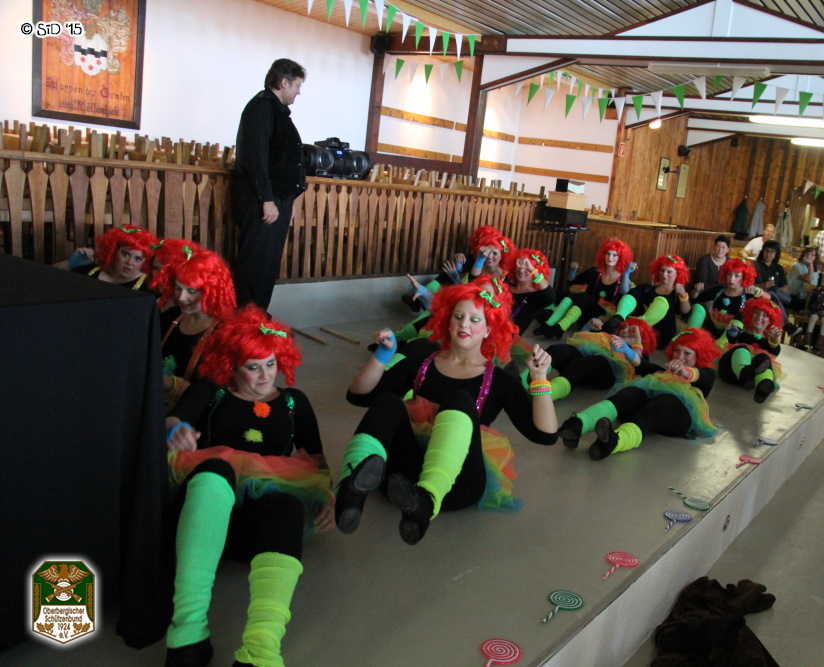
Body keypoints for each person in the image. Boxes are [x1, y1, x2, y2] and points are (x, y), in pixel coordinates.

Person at [163, 306, 332, 667]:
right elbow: (174, 418)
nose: (265, 375)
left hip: (254, 531)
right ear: (232, 365)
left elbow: (317, 459)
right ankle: (187, 635)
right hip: (200, 512)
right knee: (216, 469)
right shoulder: (211, 391)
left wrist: (328, 495)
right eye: (253, 367)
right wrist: (176, 430)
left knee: (287, 505)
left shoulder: (294, 402)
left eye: (270, 364)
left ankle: (260, 651)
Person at [336, 283, 558, 545]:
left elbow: (545, 435)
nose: (464, 324)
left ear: (488, 329)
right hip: (403, 477)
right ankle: (348, 490)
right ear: (448, 321)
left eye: (475, 319)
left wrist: (539, 378)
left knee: (459, 400)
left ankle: (426, 501)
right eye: (458, 316)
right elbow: (359, 396)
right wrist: (383, 356)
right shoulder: (422, 360)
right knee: (388, 401)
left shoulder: (500, 380)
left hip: (457, 486)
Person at [560, 328, 721, 460]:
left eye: (687, 353)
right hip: (648, 407)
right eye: (677, 351)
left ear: (699, 355)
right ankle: (577, 424)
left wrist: (686, 372)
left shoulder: (706, 374)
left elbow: (703, 377)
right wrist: (626, 350)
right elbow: (643, 366)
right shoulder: (665, 373)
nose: (680, 356)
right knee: (629, 394)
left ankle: (614, 442)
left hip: (678, 417)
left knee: (660, 405)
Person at [232, 58, 308, 310]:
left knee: (267, 266)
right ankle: (244, 319)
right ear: (284, 82)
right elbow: (255, 157)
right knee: (255, 264)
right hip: (263, 200)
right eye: (297, 85)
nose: (299, 91)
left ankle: (257, 316)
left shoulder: (277, 111)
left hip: (277, 199)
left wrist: (289, 198)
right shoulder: (261, 108)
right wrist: (266, 198)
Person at [152, 248, 237, 408]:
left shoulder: (225, 332)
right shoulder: (171, 316)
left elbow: (212, 391)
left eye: (191, 291)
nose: (181, 297)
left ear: (212, 291)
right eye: (178, 288)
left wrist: (166, 383)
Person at [535, 238, 635, 339]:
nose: (610, 257)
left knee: (582, 296)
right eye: (608, 254)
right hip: (586, 314)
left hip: (603, 320)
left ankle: (559, 327)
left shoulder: (622, 278)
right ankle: (549, 325)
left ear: (620, 258)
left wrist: (626, 273)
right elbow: (572, 282)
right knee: (571, 295)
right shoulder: (595, 273)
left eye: (614, 255)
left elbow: (625, 293)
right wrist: (572, 271)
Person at [718, 297, 783, 403]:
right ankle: (744, 374)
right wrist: (732, 332)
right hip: (732, 373)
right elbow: (732, 338)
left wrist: (774, 340)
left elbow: (774, 352)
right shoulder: (741, 332)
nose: (759, 317)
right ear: (751, 314)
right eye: (757, 313)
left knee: (764, 358)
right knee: (742, 349)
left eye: (765, 315)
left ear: (770, 320)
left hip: (751, 381)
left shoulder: (768, 342)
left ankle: (763, 386)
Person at [63, 224, 158, 291]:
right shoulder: (90, 271)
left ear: (144, 262)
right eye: (125, 254)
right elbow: (55, 279)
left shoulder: (149, 288)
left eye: (138, 259)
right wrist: (69, 264)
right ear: (113, 251)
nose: (129, 262)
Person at [626, 254, 692, 347]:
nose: (664, 274)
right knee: (635, 293)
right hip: (643, 331)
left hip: (663, 334)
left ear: (678, 274)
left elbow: (686, 312)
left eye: (669, 272)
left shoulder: (677, 293)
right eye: (662, 270)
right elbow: (629, 295)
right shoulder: (647, 289)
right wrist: (626, 274)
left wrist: (683, 294)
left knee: (662, 302)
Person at [688, 258, 763, 337]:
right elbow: (695, 299)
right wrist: (696, 290)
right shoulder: (718, 290)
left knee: (740, 317)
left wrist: (758, 291)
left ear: (744, 277)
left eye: (736, 276)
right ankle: (688, 336)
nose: (731, 279)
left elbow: (767, 304)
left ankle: (722, 342)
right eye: (729, 274)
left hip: (732, 335)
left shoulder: (748, 295)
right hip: (712, 329)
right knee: (699, 306)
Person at [787, 246, 818, 311]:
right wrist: (810, 264)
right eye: (807, 253)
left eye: (812, 255)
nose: (809, 256)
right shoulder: (797, 265)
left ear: (815, 257)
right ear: (803, 254)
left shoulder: (815, 269)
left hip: (807, 297)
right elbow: (808, 280)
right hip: (794, 297)